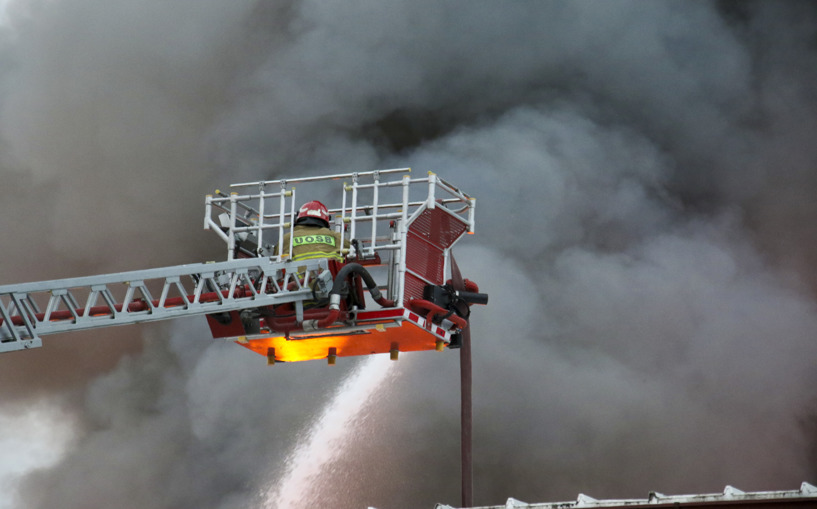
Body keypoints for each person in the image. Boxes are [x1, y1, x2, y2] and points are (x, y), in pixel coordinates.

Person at [280, 200, 348, 261]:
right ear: (326, 220)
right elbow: (352, 254)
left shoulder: (286, 239)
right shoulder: (336, 236)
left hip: (296, 275)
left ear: (297, 218)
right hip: (334, 274)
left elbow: (275, 262)